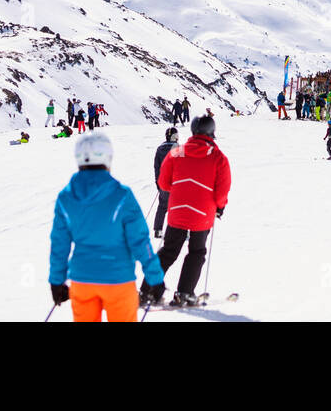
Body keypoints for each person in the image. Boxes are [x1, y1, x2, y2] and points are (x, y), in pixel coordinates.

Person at [49, 131, 165, 321]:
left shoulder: (66, 197)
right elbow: (139, 240)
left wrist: (56, 281)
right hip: (118, 279)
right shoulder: (122, 195)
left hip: (82, 280)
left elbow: (59, 244)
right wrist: (155, 277)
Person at [141, 115, 231, 308]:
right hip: (203, 213)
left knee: (168, 251)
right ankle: (184, 293)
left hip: (178, 210)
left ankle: (146, 291)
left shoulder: (178, 152)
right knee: (196, 252)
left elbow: (164, 183)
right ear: (211, 132)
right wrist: (220, 207)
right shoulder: (218, 157)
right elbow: (222, 189)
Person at [152, 126, 178, 239]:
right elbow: (181, 166)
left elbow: (156, 167)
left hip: (162, 183)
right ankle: (178, 231)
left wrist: (158, 183)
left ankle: (158, 230)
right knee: (177, 207)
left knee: (162, 206)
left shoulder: (159, 149)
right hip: (176, 183)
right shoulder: (177, 148)